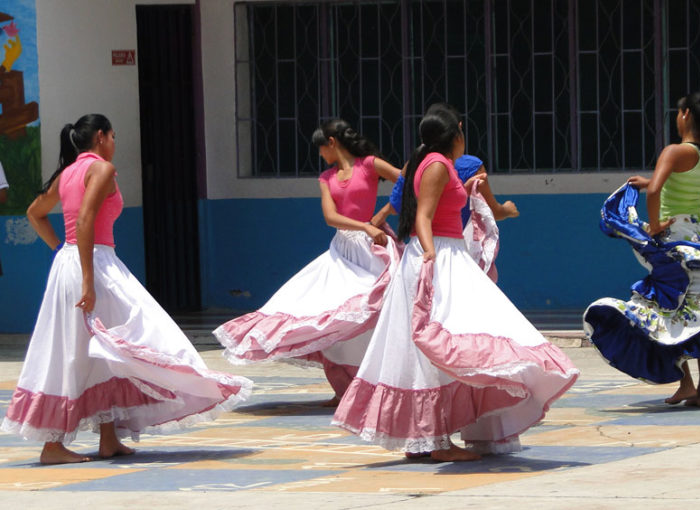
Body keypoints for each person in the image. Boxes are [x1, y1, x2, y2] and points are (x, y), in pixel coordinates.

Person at [332, 103, 579, 461]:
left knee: (432, 346)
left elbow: (428, 207)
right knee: (446, 342)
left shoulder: (432, 163)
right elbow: (424, 216)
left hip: (440, 254)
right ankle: (438, 443)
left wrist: (471, 195)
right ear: (458, 131)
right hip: (440, 257)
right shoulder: (436, 164)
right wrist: (431, 252)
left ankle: (425, 438)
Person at [1, 114, 252, 464]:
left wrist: (61, 249)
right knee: (97, 343)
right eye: (113, 136)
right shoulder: (101, 169)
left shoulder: (67, 172)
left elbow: (34, 212)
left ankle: (108, 438)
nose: (114, 143)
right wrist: (86, 278)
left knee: (102, 348)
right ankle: (52, 445)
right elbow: (86, 218)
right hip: (93, 265)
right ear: (101, 137)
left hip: (77, 263)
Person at [584, 92, 700, 407]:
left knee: (668, 308)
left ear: (686, 115)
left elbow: (657, 191)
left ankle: (686, 384)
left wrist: (654, 225)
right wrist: (650, 181)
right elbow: (676, 184)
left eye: (678, 112)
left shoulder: (673, 151)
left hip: (677, 239)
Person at [214, 119, 402, 406]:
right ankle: (344, 388)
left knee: (373, 312)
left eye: (321, 148)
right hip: (343, 250)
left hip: (373, 249)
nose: (320, 154)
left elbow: (408, 182)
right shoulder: (327, 177)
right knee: (332, 312)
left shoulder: (369, 164)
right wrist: (365, 225)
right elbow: (331, 217)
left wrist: (384, 213)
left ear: (332, 143)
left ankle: (377, 383)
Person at [372, 153, 519, 281]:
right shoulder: (470, 166)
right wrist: (507, 209)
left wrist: (377, 220)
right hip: (453, 250)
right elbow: (492, 212)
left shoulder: (415, 164)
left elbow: (395, 205)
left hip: (419, 251)